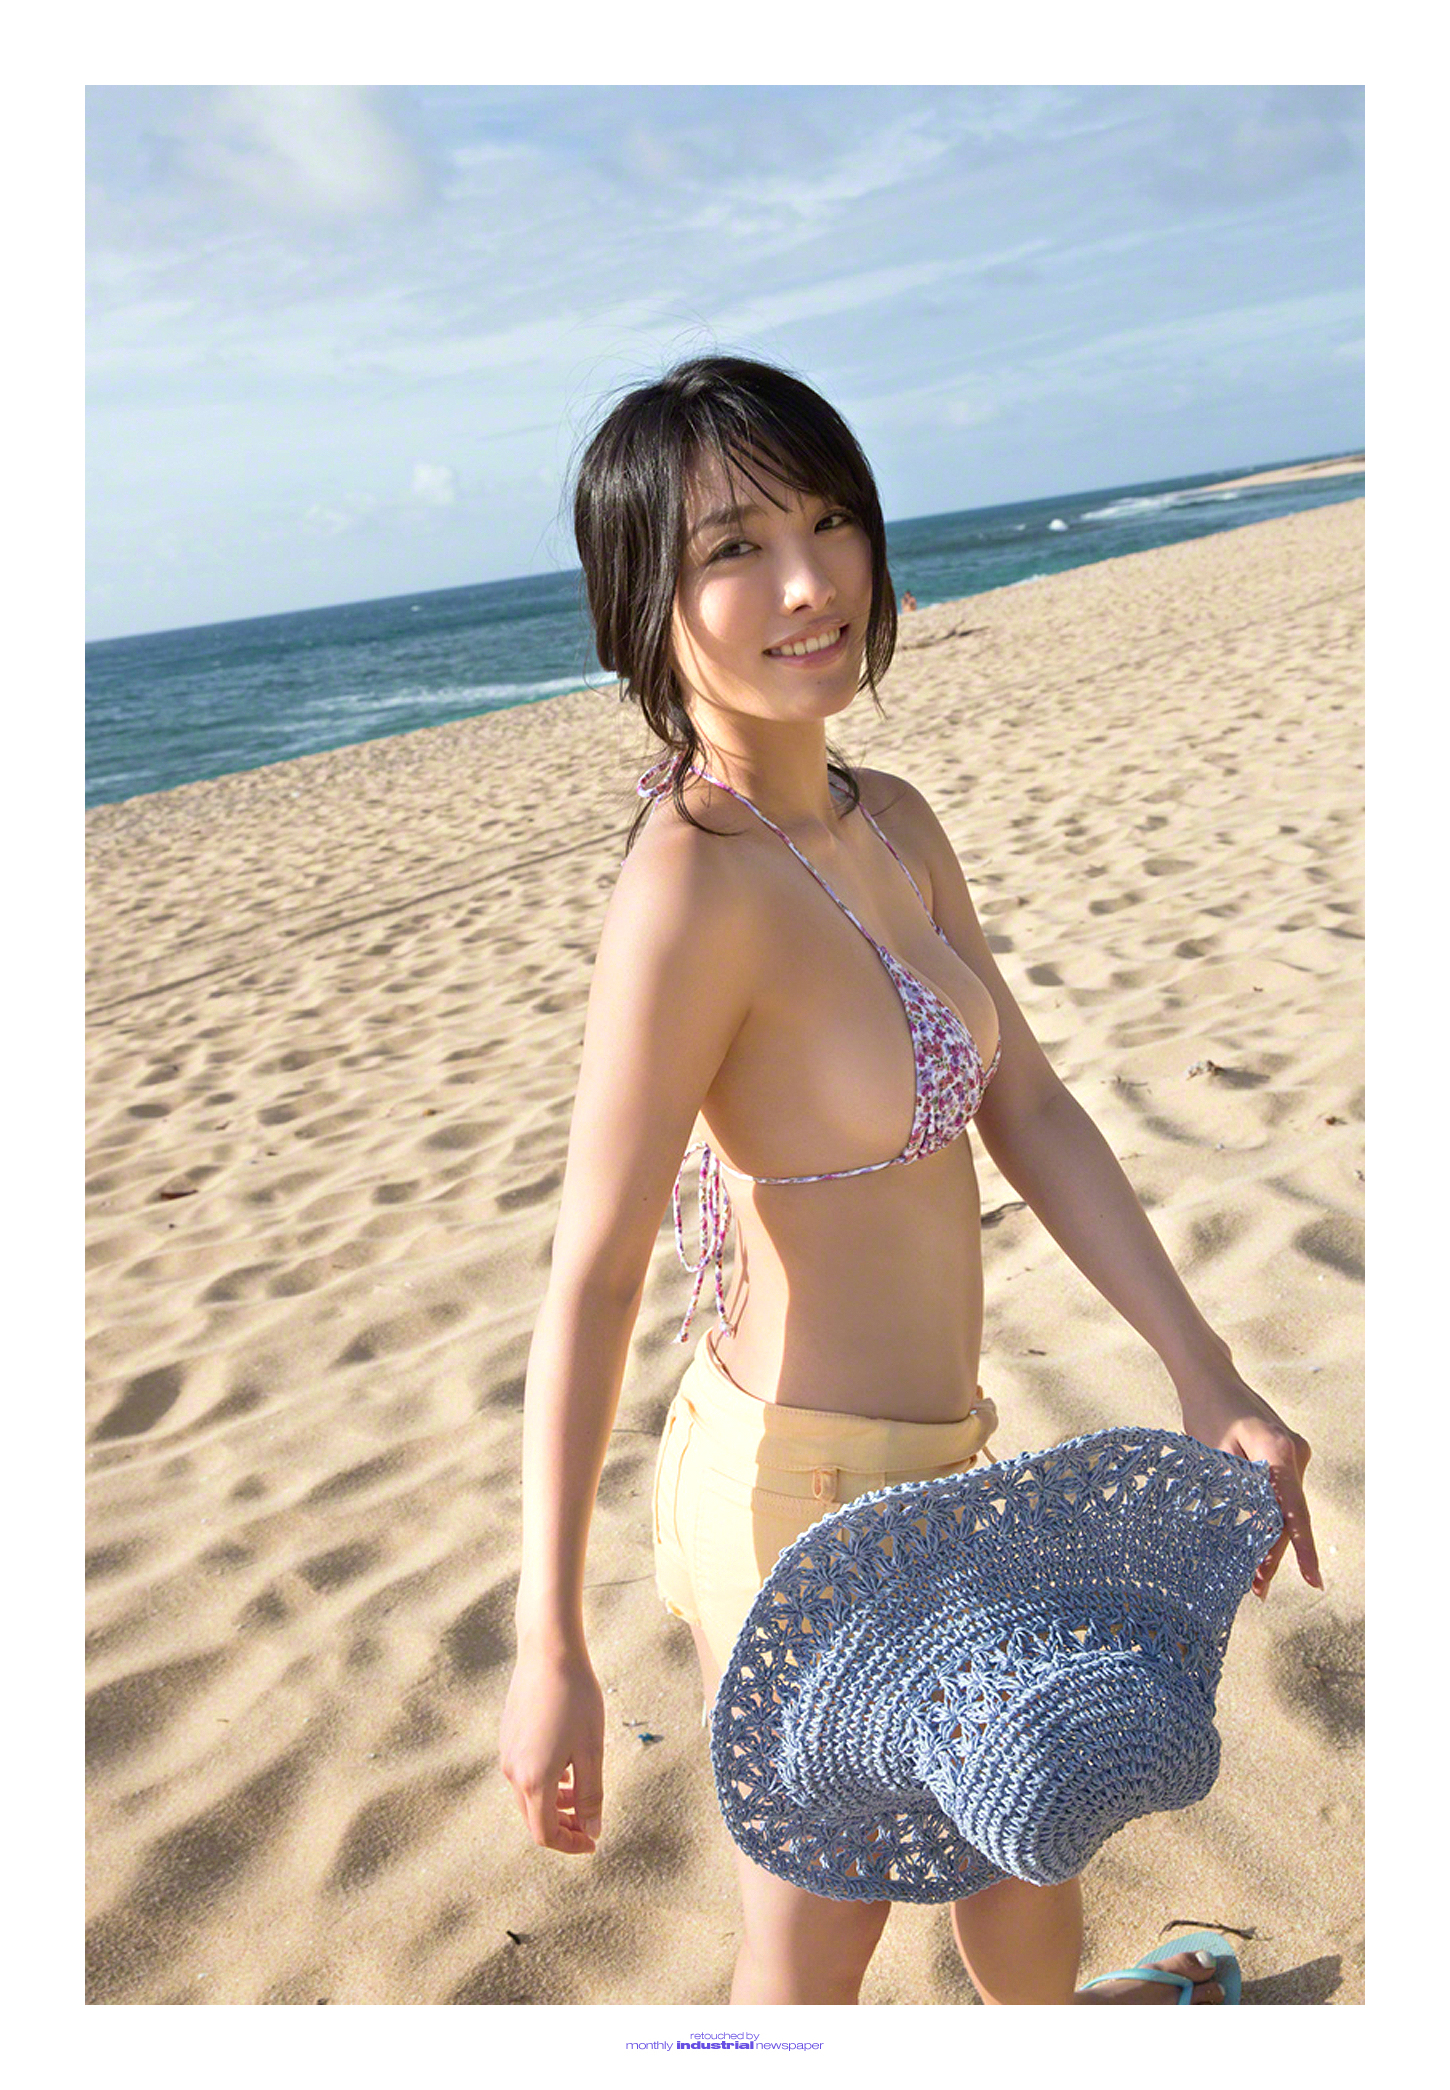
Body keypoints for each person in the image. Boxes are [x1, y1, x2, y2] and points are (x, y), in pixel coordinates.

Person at [498, 354, 1319, 2006]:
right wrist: (550, 1645)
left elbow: (1031, 1103)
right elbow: (588, 1275)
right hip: (795, 1498)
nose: (808, 582)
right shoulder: (689, 892)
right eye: (733, 548)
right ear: (642, 600)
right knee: (811, 1950)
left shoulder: (888, 820)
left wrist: (1202, 1365)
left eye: (829, 521)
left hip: (939, 1458)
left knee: (1026, 1821)